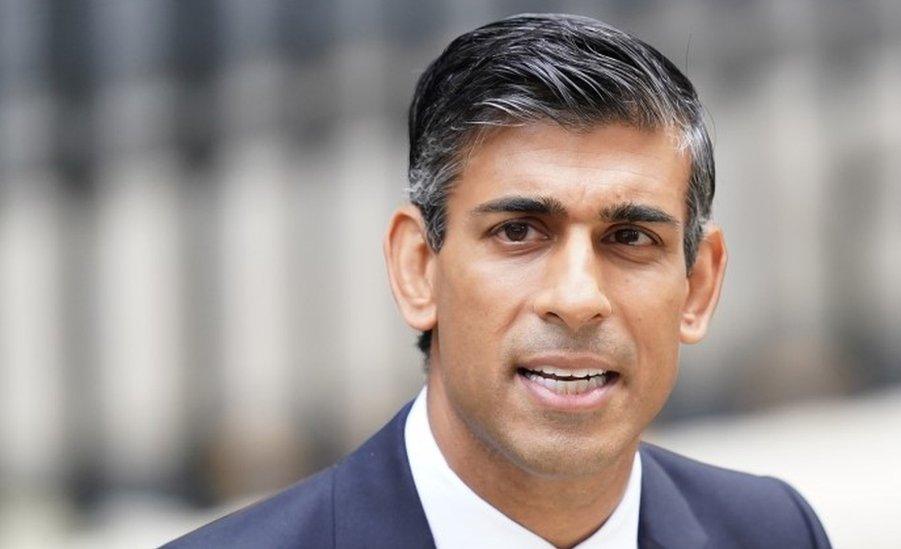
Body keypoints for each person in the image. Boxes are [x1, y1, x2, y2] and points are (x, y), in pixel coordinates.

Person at [166, 13, 831, 548]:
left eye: (629, 238)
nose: (576, 298)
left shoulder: (773, 531)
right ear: (417, 269)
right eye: (519, 231)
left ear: (699, 284)